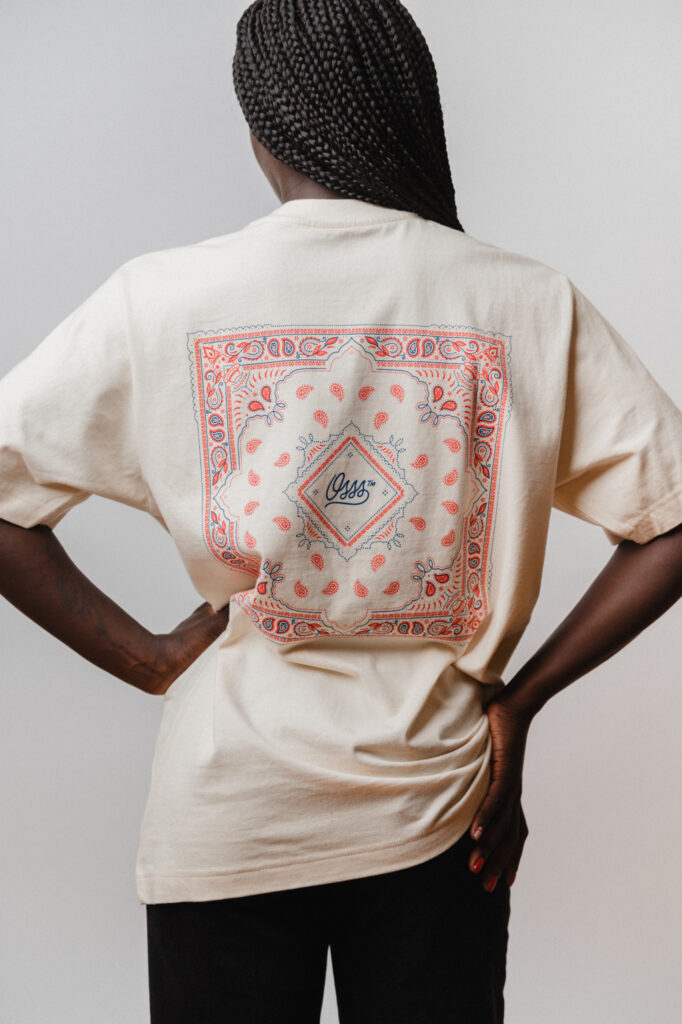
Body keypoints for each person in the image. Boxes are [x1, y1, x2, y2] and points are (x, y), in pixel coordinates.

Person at [1, 1, 681, 1021]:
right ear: (406, 109)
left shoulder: (162, 298)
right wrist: (519, 700)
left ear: (260, 126)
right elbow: (670, 519)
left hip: (228, 808)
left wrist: (146, 658)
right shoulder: (523, 302)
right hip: (440, 804)